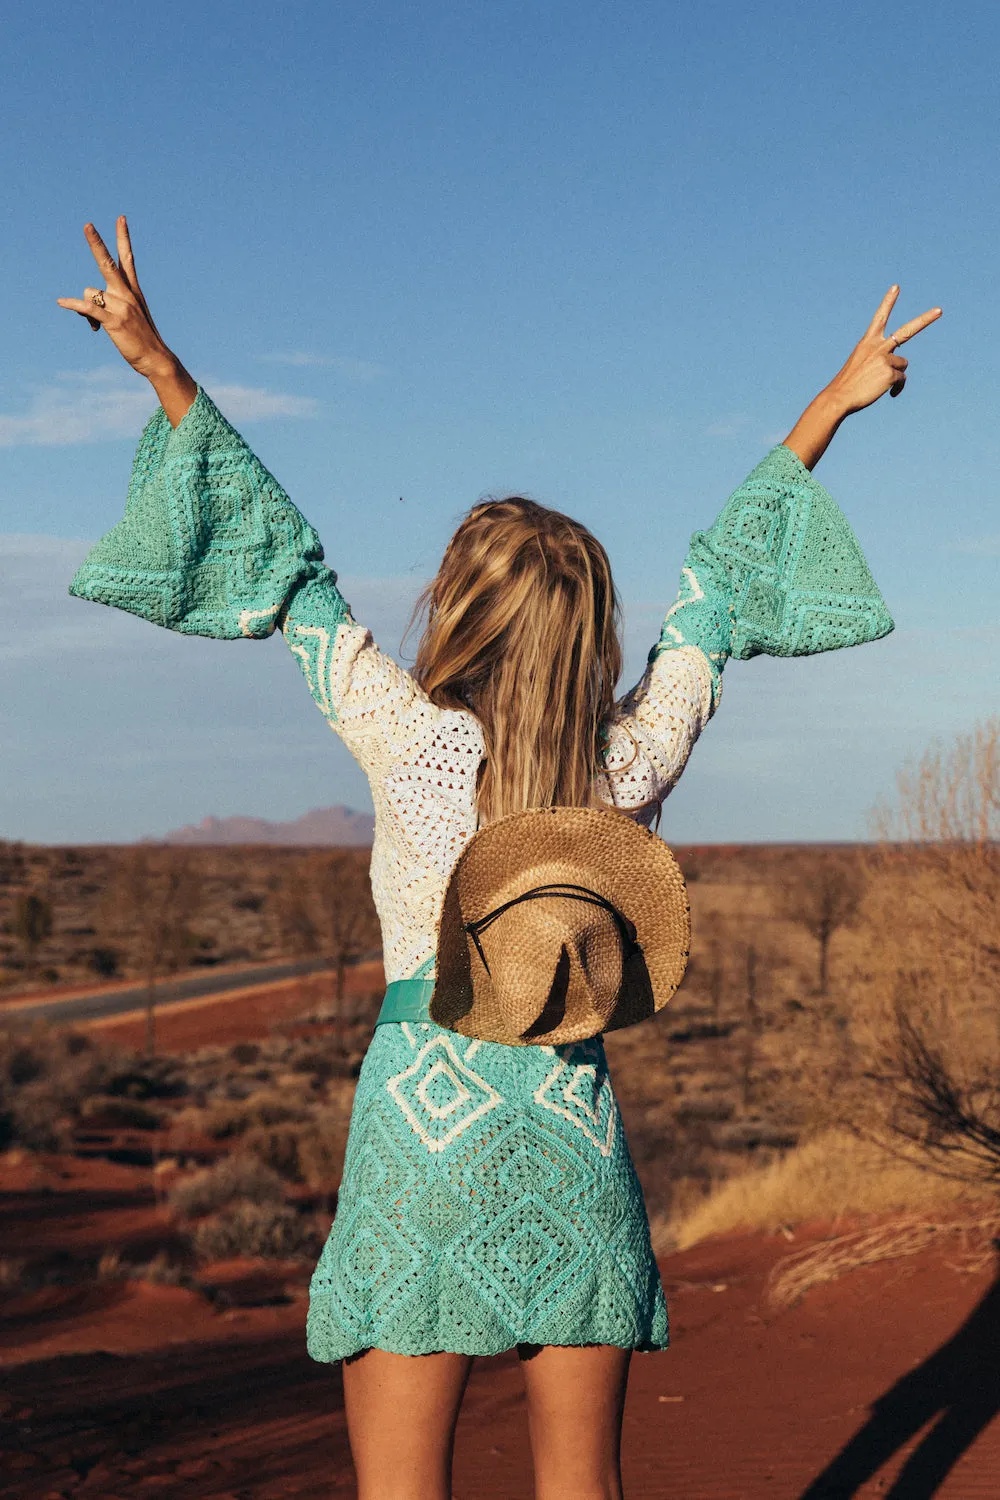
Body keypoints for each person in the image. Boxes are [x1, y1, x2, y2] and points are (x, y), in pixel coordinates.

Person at [59, 218, 940, 1500]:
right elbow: (716, 603)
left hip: (421, 1141)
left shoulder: (407, 742)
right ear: (589, 632)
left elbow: (285, 569)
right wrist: (830, 405)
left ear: (458, 612)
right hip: (569, 1131)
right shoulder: (626, 771)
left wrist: (155, 362)